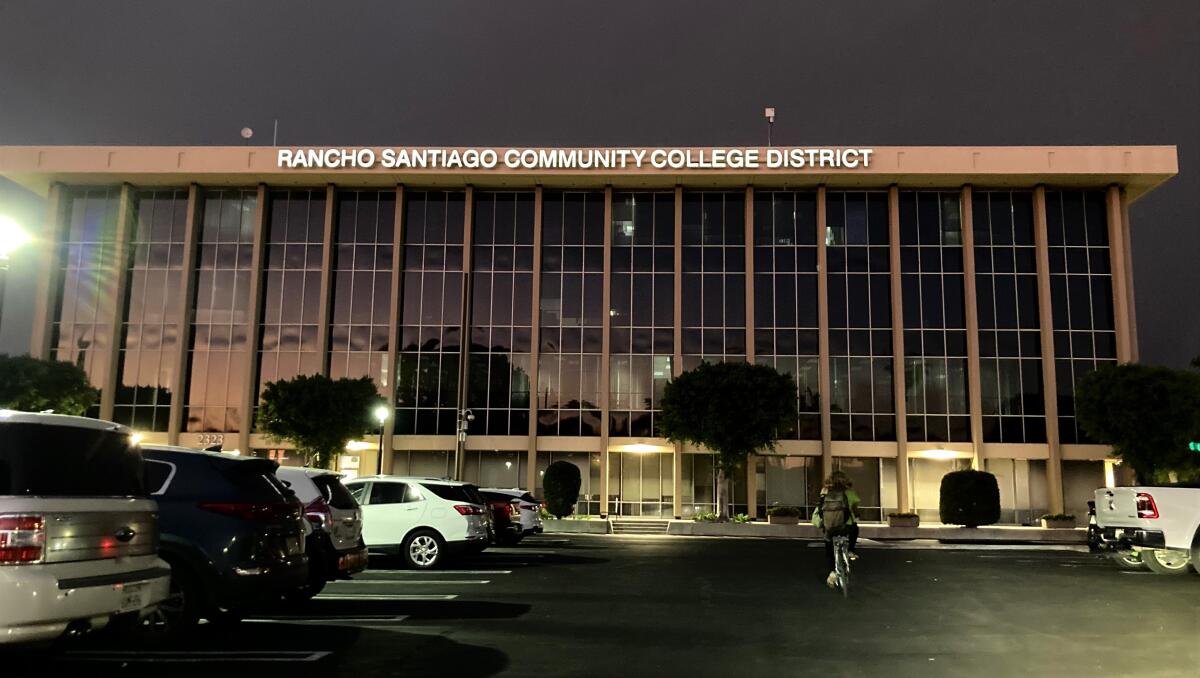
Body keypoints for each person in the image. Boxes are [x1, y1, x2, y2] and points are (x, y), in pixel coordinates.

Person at [814, 470, 860, 589]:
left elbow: (820, 508)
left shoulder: (824, 492)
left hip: (829, 527)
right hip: (845, 527)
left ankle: (832, 572)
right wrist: (856, 513)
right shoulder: (849, 492)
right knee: (855, 528)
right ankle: (850, 550)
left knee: (829, 550)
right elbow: (855, 507)